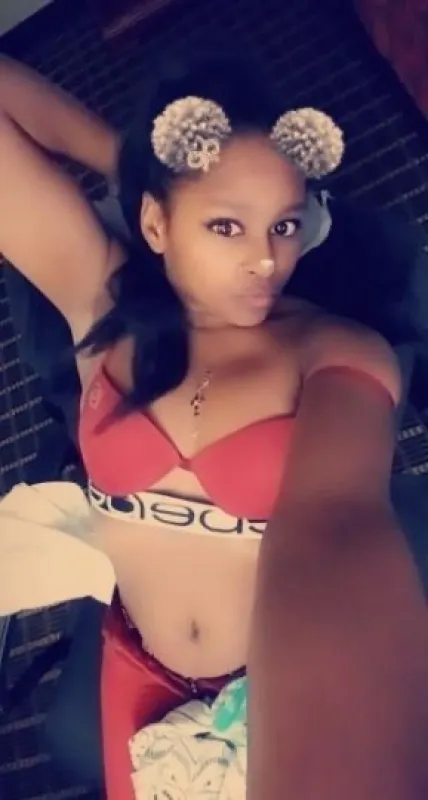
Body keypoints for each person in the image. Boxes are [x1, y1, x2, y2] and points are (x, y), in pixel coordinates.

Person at [1, 50, 428, 800]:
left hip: (278, 690)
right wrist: (137, 165)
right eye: (226, 224)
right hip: (134, 671)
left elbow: (341, 526)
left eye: (285, 224)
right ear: (156, 222)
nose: (266, 260)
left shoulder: (336, 351)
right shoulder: (99, 299)